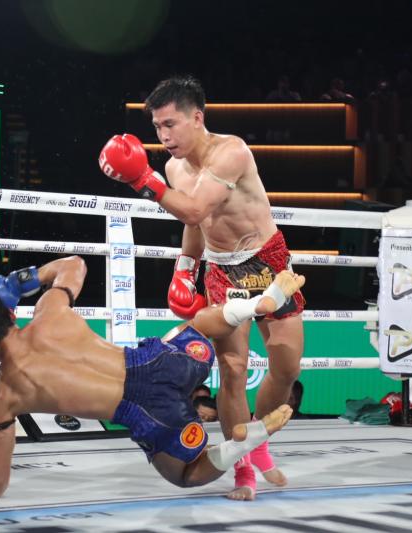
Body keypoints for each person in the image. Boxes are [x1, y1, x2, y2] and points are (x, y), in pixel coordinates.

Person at [99, 75, 305, 500]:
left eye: (170, 124)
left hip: (267, 261)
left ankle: (258, 439)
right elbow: (194, 222)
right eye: (157, 127)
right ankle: (242, 467)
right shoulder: (174, 168)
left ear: (197, 118)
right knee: (232, 370)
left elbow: (194, 207)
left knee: (286, 368)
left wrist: (141, 179)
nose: (163, 136)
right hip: (221, 270)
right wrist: (186, 267)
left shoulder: (232, 152)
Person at [0, 256, 303, 498]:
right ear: (11, 315)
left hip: (145, 413)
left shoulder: (4, 397)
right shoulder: (49, 311)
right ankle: (254, 305)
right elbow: (74, 264)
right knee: (197, 326)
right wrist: (16, 282)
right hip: (158, 363)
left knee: (185, 474)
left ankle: (241, 444)